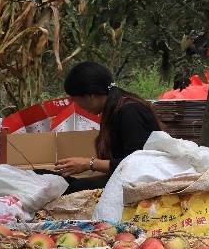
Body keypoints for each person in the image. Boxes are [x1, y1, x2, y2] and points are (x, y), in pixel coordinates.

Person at [57, 62, 161, 192]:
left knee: (67, 188)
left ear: (91, 96)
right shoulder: (113, 109)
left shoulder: (130, 112)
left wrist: (88, 164)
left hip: (139, 184)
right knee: (50, 178)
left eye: (77, 101)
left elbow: (136, 164)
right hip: (123, 178)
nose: (78, 106)